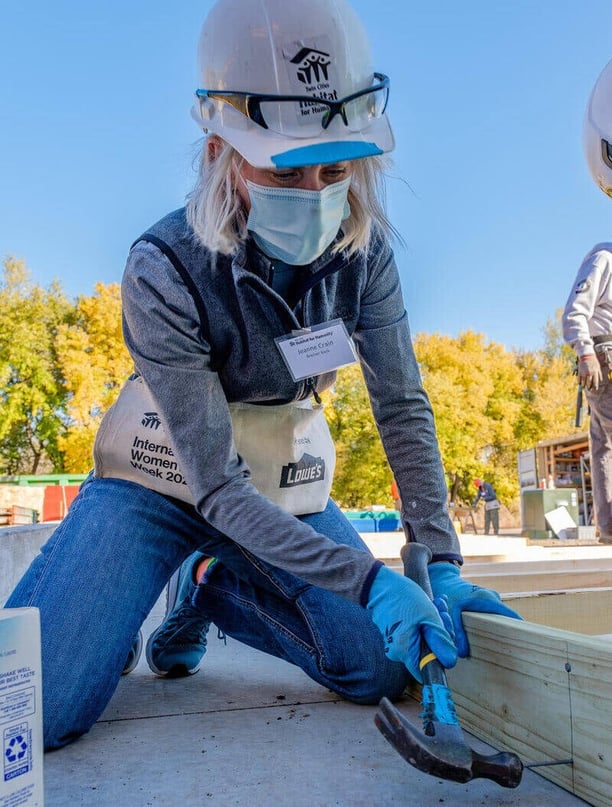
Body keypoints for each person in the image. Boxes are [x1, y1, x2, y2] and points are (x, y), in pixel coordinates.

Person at [5, 0, 520, 751]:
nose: (315, 193)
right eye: (285, 167)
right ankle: (116, 586)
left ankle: (209, 586)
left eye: (336, 168)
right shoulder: (163, 268)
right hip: (163, 479)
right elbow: (213, 486)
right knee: (32, 709)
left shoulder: (364, 256)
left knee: (379, 661)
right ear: (219, 147)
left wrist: (437, 558)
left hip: (282, 482)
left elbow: (401, 407)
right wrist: (368, 579)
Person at [562, 58, 612, 545]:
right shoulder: (604, 256)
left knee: (604, 442)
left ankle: (606, 526)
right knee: (608, 441)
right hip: (604, 355)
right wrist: (585, 350)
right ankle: (610, 526)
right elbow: (575, 310)